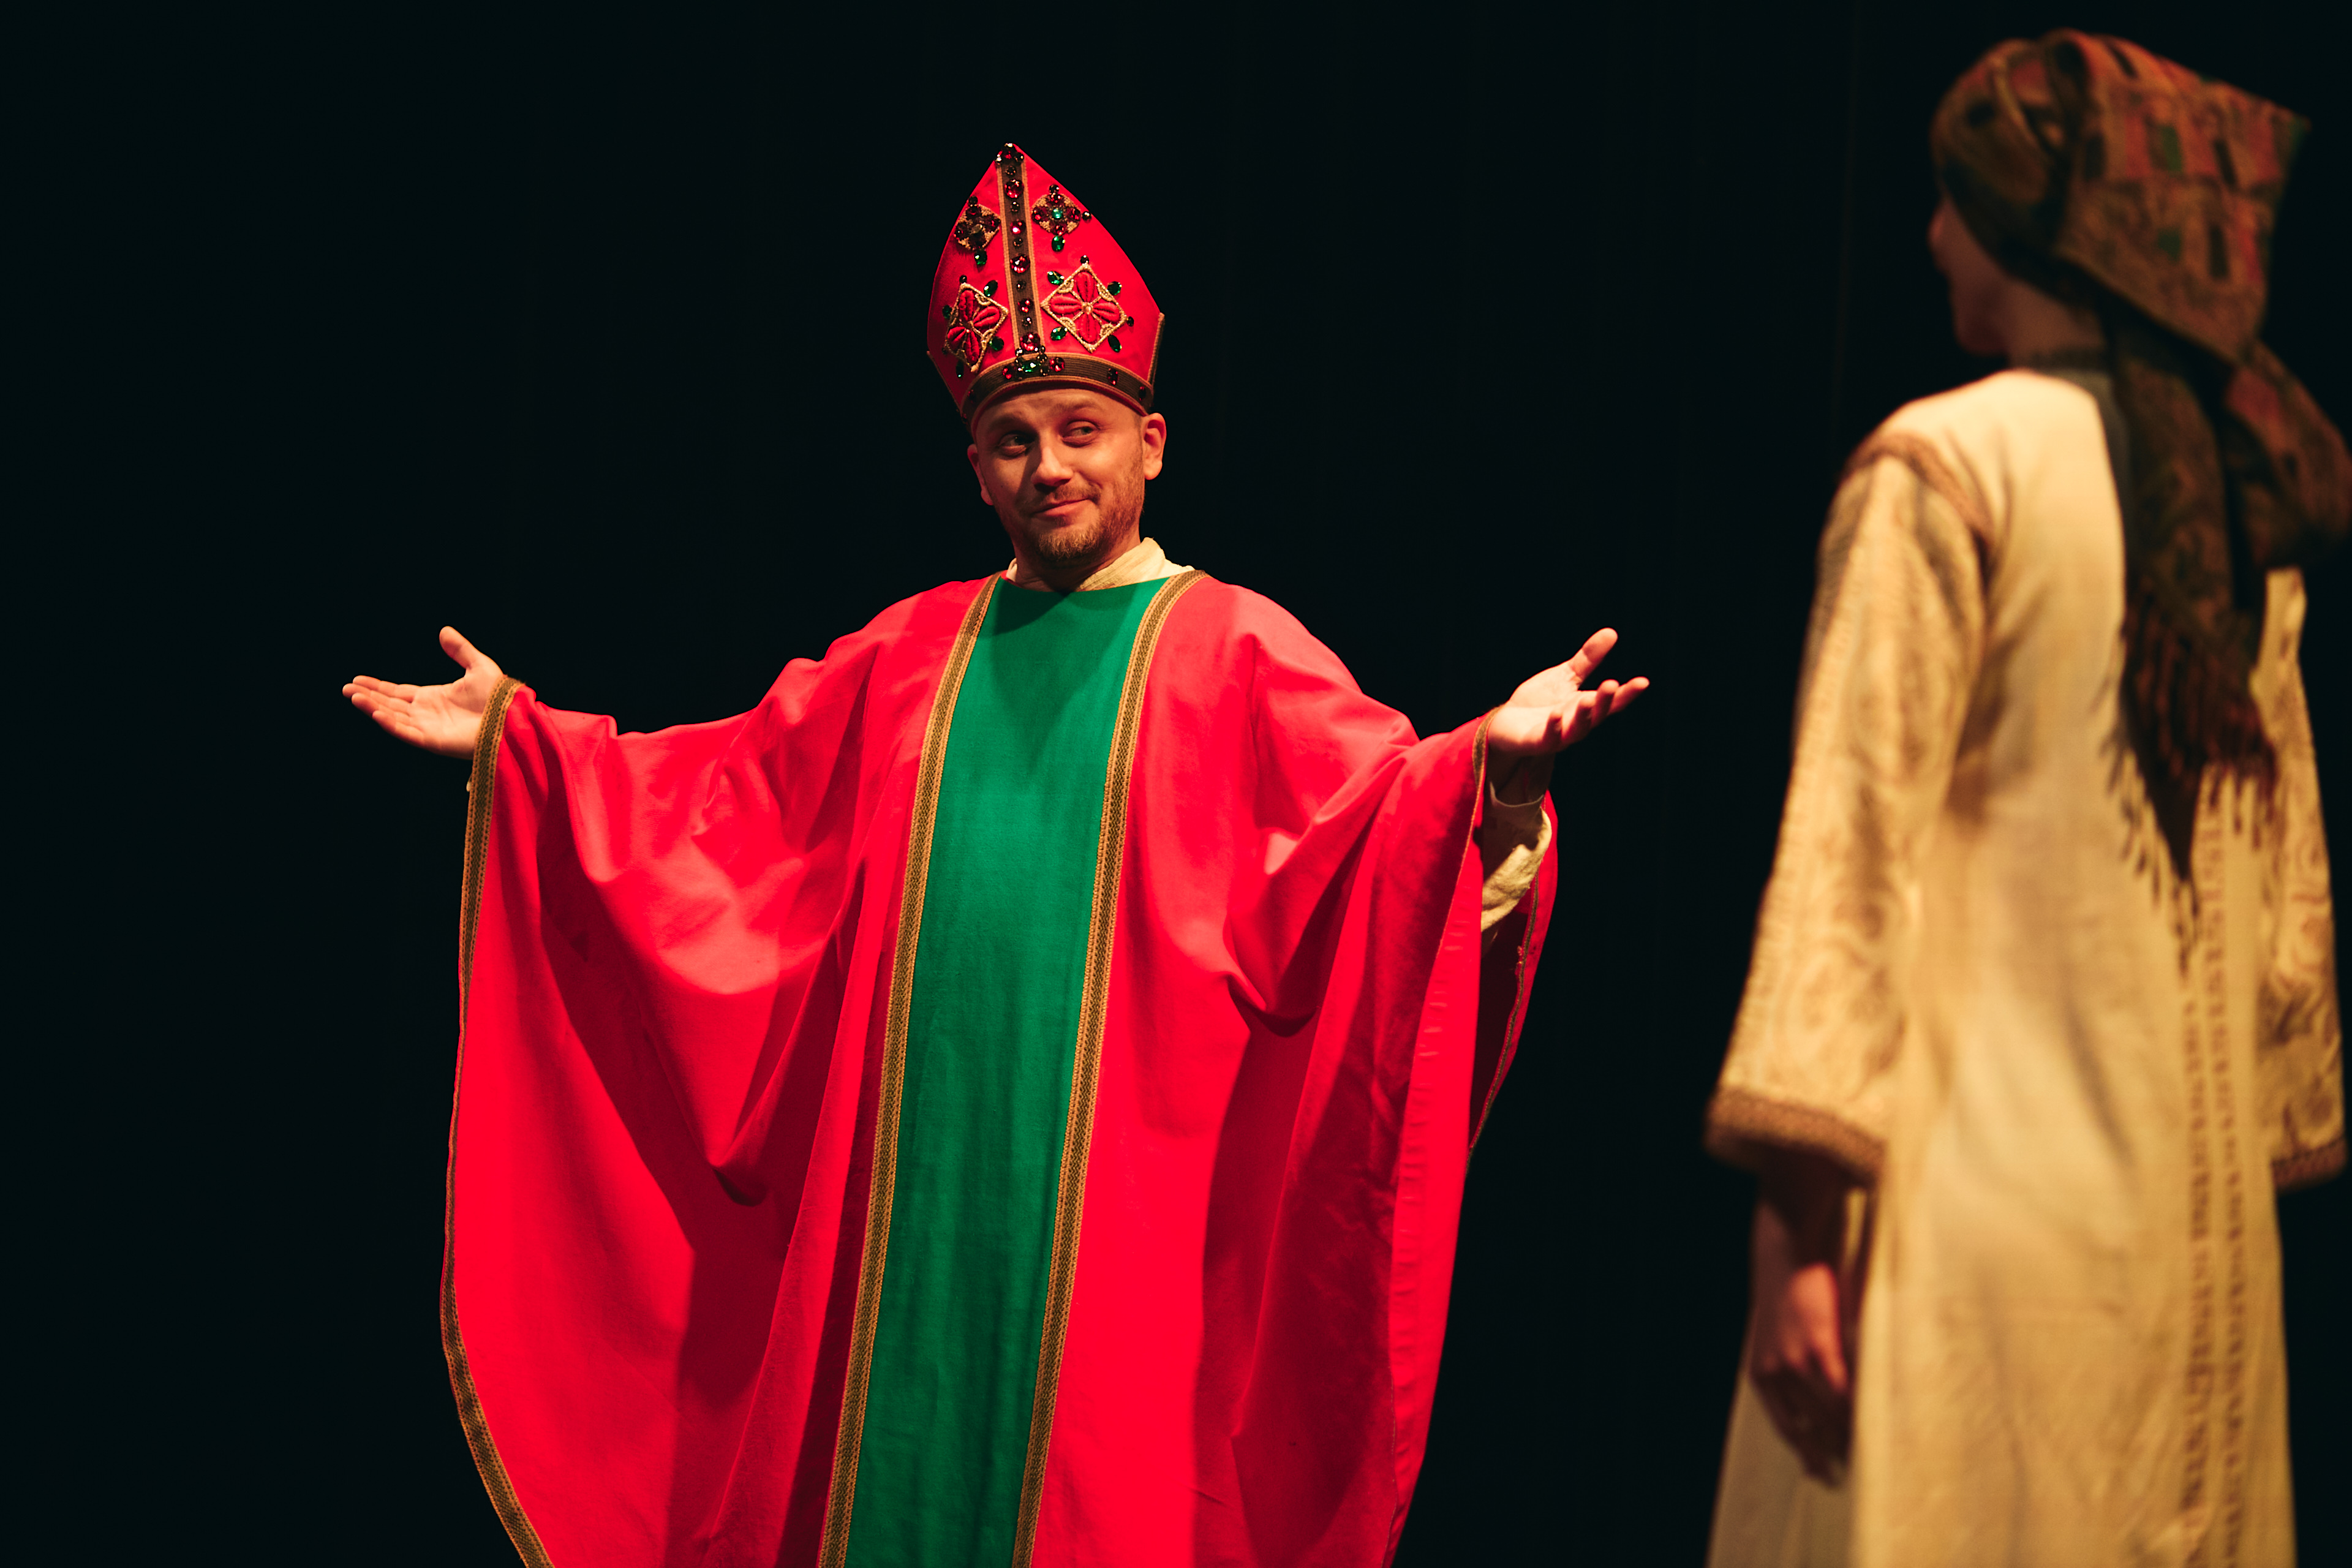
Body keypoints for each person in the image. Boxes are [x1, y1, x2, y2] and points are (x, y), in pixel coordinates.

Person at [344, 142, 1645, 1567]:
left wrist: (1493, 772)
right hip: (903, 1223)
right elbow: (714, 816)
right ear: (975, 470)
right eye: (1015, 441)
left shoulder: (1238, 651)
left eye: (1082, 429)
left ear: (1152, 441)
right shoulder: (906, 653)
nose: (1051, 467)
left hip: (1123, 1231)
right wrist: (528, 740)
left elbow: (1378, 828)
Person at [1702, 32, 2345, 1568]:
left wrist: (1798, 1222)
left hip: (1969, 1219)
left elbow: (1852, 854)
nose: (1932, 238)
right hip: (2189, 1248)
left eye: (1955, 201)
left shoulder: (1948, 465)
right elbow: (2292, 912)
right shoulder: (2242, 499)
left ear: (2023, 226)